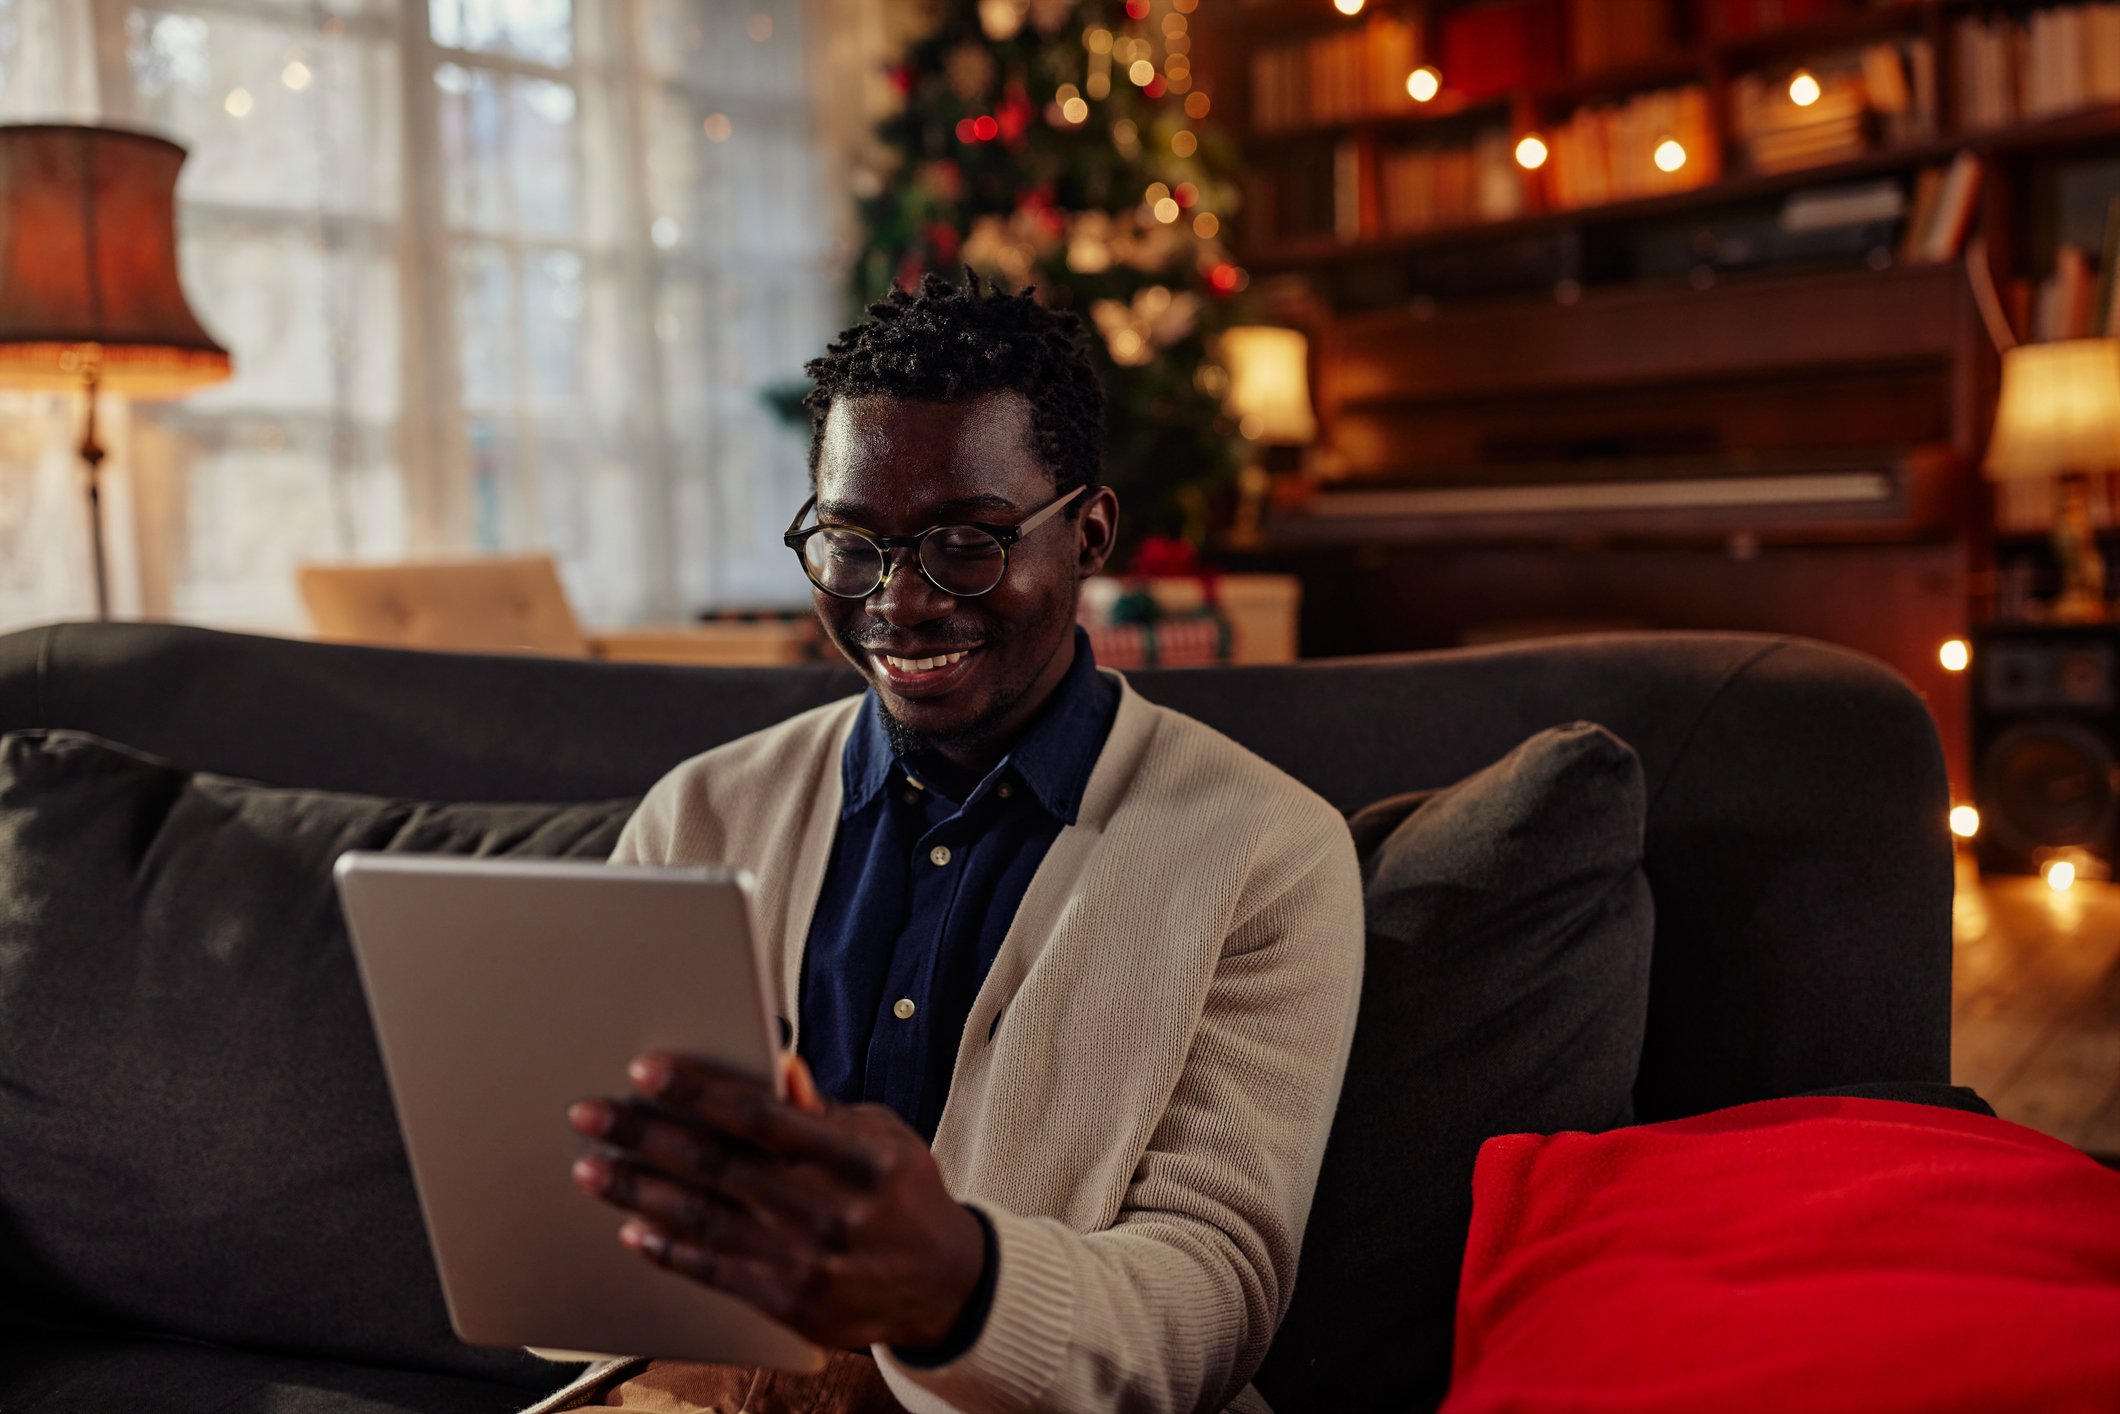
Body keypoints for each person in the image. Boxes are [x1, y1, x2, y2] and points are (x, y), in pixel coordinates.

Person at [538, 273, 1363, 1414]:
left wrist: (956, 1288)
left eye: (964, 543)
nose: (901, 603)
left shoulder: (1267, 853)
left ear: (1087, 534)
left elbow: (1212, 1301)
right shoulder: (700, 816)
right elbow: (575, 1221)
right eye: (852, 543)